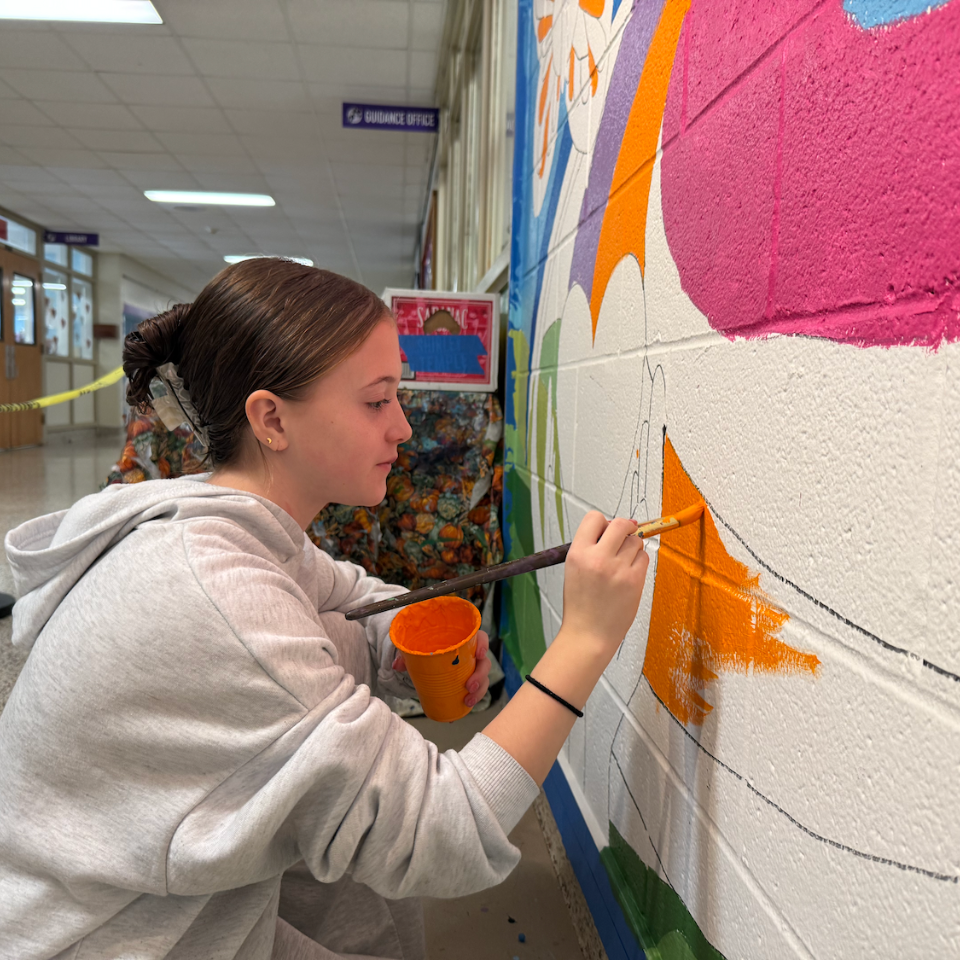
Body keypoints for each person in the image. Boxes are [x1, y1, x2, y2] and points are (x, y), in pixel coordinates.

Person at [0, 259, 649, 960]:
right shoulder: (220, 596)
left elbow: (348, 600)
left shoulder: (229, 527)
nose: (402, 427)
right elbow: (448, 831)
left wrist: (397, 647)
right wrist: (584, 640)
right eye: (376, 401)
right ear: (271, 418)